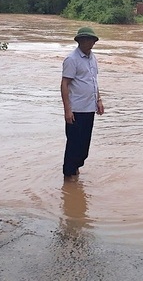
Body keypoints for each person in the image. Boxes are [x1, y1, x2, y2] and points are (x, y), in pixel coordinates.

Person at [60, 27, 104, 178]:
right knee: (73, 145)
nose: (90, 43)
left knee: (84, 145)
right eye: (86, 39)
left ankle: (76, 169)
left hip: (89, 108)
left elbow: (93, 81)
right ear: (79, 41)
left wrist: (99, 100)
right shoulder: (72, 59)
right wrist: (67, 110)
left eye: (92, 40)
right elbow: (65, 84)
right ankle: (69, 176)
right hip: (76, 109)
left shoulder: (93, 58)